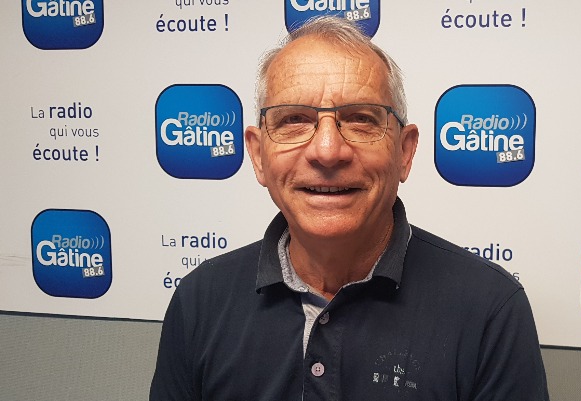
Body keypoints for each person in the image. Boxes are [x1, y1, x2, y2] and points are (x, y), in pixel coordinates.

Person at [150, 16, 549, 401]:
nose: (327, 151)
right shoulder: (199, 301)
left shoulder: (490, 309)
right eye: (294, 120)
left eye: (360, 120)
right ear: (257, 155)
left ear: (405, 152)